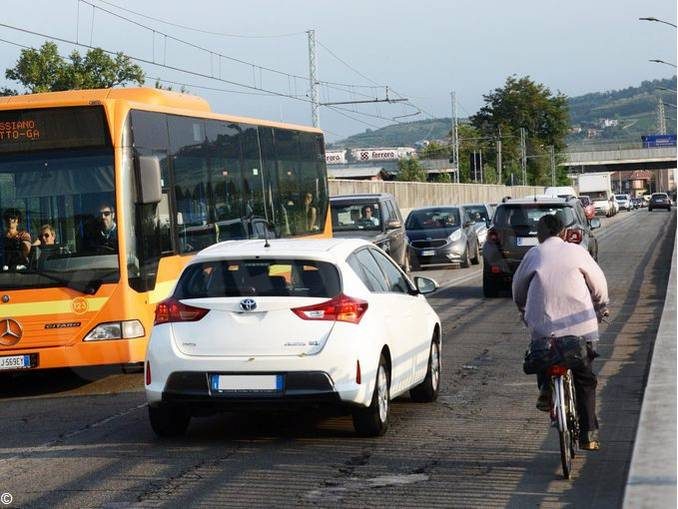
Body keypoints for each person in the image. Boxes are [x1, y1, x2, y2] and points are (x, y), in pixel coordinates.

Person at [512, 214, 609, 451]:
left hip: (545, 329)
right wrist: (602, 306)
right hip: (581, 328)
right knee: (585, 379)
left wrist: (523, 308)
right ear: (564, 233)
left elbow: (518, 288)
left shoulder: (534, 254)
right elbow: (598, 285)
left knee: (542, 352)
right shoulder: (577, 252)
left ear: (539, 235)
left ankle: (546, 388)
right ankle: (589, 436)